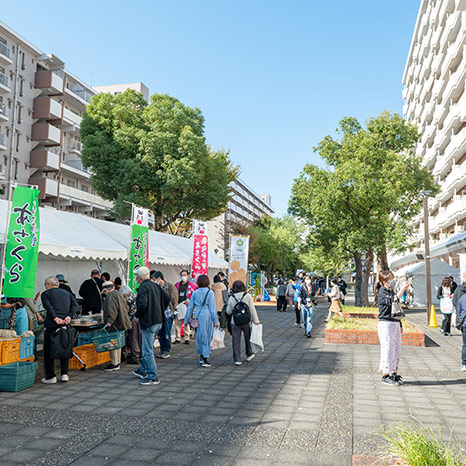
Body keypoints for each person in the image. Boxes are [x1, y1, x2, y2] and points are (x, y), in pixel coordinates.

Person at [132, 267, 170, 386]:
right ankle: (143, 369)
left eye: (137, 276)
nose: (136, 278)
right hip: (158, 320)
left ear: (140, 277)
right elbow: (167, 298)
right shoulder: (156, 285)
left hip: (149, 321)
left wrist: (137, 316)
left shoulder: (143, 287)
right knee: (148, 347)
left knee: (147, 349)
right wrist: (160, 310)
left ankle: (152, 375)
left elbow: (142, 304)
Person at [40, 276, 78, 384]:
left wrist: (55, 317)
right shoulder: (67, 293)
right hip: (66, 324)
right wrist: (69, 316)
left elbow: (48, 306)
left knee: (48, 350)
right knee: (65, 347)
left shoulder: (46, 294)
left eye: (45, 285)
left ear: (49, 285)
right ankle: (64, 374)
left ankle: (51, 376)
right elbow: (75, 305)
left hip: (52, 325)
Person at [376, 270, 410, 386]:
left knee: (396, 348)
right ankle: (385, 374)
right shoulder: (382, 292)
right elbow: (393, 301)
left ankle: (394, 372)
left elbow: (396, 308)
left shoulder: (391, 291)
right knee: (387, 348)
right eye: (390, 279)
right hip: (385, 323)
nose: (393, 281)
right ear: (384, 281)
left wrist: (400, 324)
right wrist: (403, 289)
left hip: (394, 322)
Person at [184, 274, 219, 367]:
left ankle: (201, 355)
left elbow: (190, 307)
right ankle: (205, 358)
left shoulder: (195, 293)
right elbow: (212, 308)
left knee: (199, 336)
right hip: (207, 316)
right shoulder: (210, 292)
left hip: (197, 315)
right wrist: (215, 320)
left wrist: (186, 320)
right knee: (207, 336)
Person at [226, 280, 260, 366]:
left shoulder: (231, 297)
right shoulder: (247, 296)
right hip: (246, 321)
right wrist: (256, 321)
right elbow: (252, 309)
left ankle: (237, 359)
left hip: (235, 321)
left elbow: (228, 311)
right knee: (248, 338)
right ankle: (249, 353)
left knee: (236, 340)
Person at [101, 281, 132, 371]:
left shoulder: (110, 296)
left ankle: (114, 363)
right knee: (118, 343)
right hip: (122, 322)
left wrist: (110, 321)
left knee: (113, 343)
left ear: (106, 289)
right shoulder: (118, 293)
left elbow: (112, 310)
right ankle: (117, 362)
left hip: (115, 323)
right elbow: (126, 307)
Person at [151, 271, 178, 359]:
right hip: (159, 313)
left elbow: (174, 299)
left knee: (167, 333)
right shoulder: (156, 287)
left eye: (154, 279)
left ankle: (166, 350)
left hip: (168, 313)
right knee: (160, 333)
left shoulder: (170, 286)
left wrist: (172, 310)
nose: (154, 281)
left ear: (159, 278)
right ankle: (162, 350)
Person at [175, 270, 197, 344]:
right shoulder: (177, 285)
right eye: (181, 275)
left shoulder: (191, 285)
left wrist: (190, 300)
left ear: (188, 276)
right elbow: (174, 294)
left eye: (184, 275)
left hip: (187, 305)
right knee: (177, 323)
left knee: (186, 322)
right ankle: (178, 338)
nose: (183, 276)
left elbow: (194, 296)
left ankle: (187, 338)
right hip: (178, 304)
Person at [120, 285, 141, 364]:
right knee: (140, 338)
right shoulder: (136, 295)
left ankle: (135, 357)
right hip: (139, 319)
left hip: (133, 320)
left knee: (133, 338)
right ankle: (140, 355)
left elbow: (125, 311)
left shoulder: (127, 298)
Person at [457, 293, 466, 371]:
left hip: (465, 324)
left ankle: (464, 364)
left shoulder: (463, 297)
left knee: (465, 345)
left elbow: (459, 311)